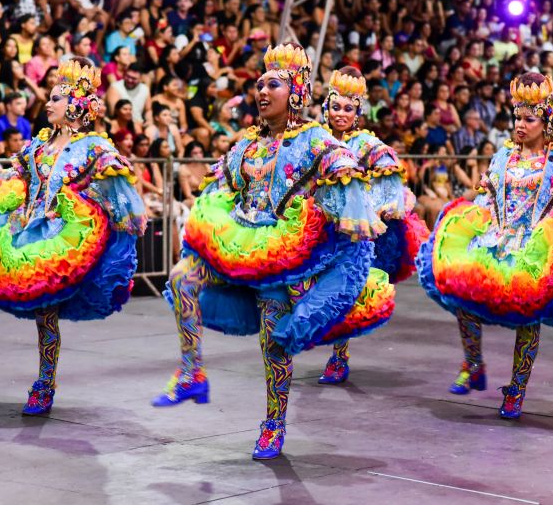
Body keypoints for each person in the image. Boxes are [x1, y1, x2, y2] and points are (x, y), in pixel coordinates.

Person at [152, 43, 394, 460]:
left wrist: (358, 204)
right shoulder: (246, 143)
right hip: (239, 242)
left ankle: (274, 422)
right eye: (260, 84)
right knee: (179, 278)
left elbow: (347, 186)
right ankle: (192, 371)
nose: (262, 91)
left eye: (273, 85)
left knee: (274, 342)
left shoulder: (315, 140)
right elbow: (221, 187)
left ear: (296, 91)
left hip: (282, 256)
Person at [0, 58, 147, 416]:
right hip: (22, 227)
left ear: (76, 106)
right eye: (49, 97)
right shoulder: (38, 144)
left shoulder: (94, 148)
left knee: (45, 315)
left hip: (57, 239)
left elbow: (118, 191)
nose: (47, 104)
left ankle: (44, 383)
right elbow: (18, 178)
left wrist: (98, 209)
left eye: (55, 98)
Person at [416, 73, 553, 419]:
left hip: (535, 248)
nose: (520, 125)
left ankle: (516, 389)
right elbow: (488, 197)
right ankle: (473, 363)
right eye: (517, 117)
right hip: (497, 238)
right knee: (462, 296)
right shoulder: (503, 157)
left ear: (546, 121)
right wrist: (471, 225)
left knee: (528, 319)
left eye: (529, 119)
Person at [315, 67, 429, 384]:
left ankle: (338, 357)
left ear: (358, 112)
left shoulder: (365, 143)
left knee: (343, 294)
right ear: (326, 108)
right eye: (335, 107)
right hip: (316, 227)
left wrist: (385, 201)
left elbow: (390, 169)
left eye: (348, 108)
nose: (340, 114)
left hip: (351, 233)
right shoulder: (316, 138)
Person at [0, 92, 32, 157]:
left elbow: (27, 149)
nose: (23, 107)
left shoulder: (25, 123)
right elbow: (1, 153)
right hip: (2, 163)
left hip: (21, 161)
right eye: (18, 104)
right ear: (8, 106)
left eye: (23, 103)